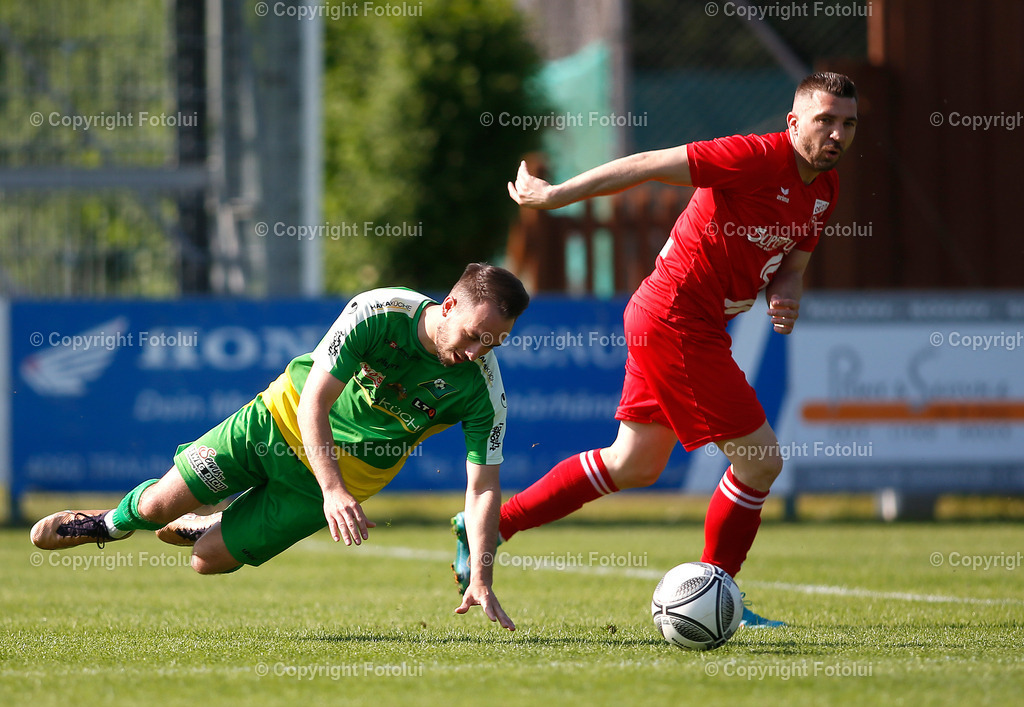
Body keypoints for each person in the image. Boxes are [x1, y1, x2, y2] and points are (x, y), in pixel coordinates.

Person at [451, 72, 858, 627]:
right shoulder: (753, 157)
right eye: (824, 120)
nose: (836, 133)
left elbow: (794, 266)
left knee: (635, 462)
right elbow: (649, 163)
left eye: (847, 123)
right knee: (761, 460)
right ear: (793, 122)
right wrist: (557, 194)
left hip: (684, 319)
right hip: (675, 318)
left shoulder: (825, 189)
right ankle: (719, 593)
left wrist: (785, 295)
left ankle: (491, 523)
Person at [31, 262, 529, 632]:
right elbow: (315, 400)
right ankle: (106, 524)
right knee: (159, 506)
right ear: (449, 306)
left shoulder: (484, 389)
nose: (477, 352)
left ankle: (210, 521)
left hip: (344, 479)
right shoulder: (379, 311)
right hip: (280, 420)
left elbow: (484, 487)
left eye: (493, 343)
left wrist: (481, 577)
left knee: (206, 560)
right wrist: (333, 490)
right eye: (473, 336)